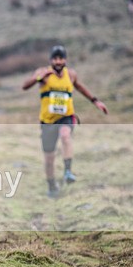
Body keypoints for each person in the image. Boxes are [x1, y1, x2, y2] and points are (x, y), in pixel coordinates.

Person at [22, 45, 109, 198]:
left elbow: (80, 88)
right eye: (55, 58)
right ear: (50, 60)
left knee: (65, 135)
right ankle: (51, 186)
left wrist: (96, 101)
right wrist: (38, 78)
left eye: (61, 58)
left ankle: (68, 171)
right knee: (49, 158)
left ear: (65, 59)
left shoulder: (71, 75)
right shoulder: (43, 73)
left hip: (66, 116)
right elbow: (25, 86)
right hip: (48, 121)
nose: (58, 61)